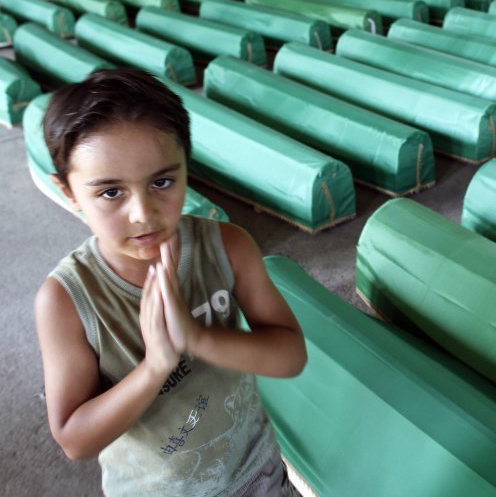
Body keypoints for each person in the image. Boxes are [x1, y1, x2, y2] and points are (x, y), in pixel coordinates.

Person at [34, 68, 307, 496]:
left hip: (259, 474)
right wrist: (155, 366)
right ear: (68, 191)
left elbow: (290, 356)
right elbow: (75, 438)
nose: (143, 213)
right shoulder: (67, 300)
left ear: (186, 167)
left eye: (162, 182)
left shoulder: (228, 246)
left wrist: (196, 337)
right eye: (110, 193)